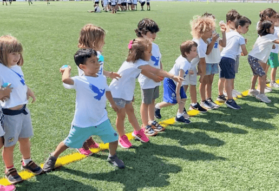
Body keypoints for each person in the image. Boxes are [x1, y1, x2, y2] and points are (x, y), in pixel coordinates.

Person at [43, 49, 125, 172]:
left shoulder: (101, 77)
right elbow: (65, 80)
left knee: (113, 139)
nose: (97, 64)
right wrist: (66, 70)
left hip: (101, 119)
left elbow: (106, 90)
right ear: (82, 66)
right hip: (83, 122)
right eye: (93, 61)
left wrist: (112, 103)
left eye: (97, 60)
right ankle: (53, 157)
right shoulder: (80, 80)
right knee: (68, 142)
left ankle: (112, 156)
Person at [110, 38, 182, 147]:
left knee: (130, 110)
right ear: (141, 53)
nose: (151, 53)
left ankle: (138, 132)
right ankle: (122, 137)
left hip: (126, 90)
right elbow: (155, 70)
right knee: (121, 115)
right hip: (117, 92)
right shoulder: (138, 63)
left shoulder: (137, 62)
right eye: (149, 51)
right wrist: (172, 76)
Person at [73, 24, 121, 155]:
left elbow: (98, 70)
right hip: (89, 91)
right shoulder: (86, 55)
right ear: (94, 40)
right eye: (102, 40)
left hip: (99, 90)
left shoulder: (95, 55)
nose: (104, 42)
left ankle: (89, 140)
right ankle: (81, 142)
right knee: (87, 117)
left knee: (95, 115)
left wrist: (109, 74)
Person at [0, 35, 42, 184]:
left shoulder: (16, 67)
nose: (17, 57)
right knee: (9, 144)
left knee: (25, 139)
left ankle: (27, 161)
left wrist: (28, 90)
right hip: (9, 114)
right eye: (13, 53)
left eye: (18, 53)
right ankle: (9, 168)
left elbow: (20, 82)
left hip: (23, 110)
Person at [248, 20, 279, 103]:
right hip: (255, 59)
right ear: (267, 30)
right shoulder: (269, 36)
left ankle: (252, 89)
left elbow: (272, 46)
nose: (273, 30)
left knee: (256, 74)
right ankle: (261, 94)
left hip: (252, 57)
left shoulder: (261, 36)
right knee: (263, 75)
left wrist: (273, 45)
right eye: (272, 28)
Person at [155, 41, 198, 123]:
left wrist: (188, 72)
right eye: (194, 50)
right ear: (186, 53)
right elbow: (179, 78)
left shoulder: (185, 60)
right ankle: (157, 106)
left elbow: (178, 70)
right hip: (171, 81)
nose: (196, 52)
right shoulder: (184, 63)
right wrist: (177, 94)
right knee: (172, 101)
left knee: (184, 98)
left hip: (176, 81)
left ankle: (179, 115)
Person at [136, 19, 166, 137]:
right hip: (147, 79)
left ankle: (151, 120)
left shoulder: (155, 46)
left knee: (152, 100)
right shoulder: (139, 47)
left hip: (156, 78)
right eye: (151, 32)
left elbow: (159, 61)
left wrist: (161, 73)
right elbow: (140, 68)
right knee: (145, 102)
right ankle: (145, 124)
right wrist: (153, 77)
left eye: (155, 32)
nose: (154, 35)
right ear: (142, 32)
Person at [218, 17, 250, 110]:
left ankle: (220, 95)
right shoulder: (240, 37)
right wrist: (243, 50)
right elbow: (245, 52)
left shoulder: (229, 33)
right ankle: (230, 100)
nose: (247, 29)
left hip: (222, 57)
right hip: (230, 60)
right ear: (239, 27)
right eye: (246, 27)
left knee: (222, 78)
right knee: (229, 80)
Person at [187, 15, 214, 113]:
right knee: (184, 88)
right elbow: (202, 61)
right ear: (202, 32)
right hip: (186, 68)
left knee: (192, 85)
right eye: (210, 30)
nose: (212, 32)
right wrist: (203, 74)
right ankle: (180, 111)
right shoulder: (200, 43)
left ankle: (194, 104)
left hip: (192, 67)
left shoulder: (201, 41)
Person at [200, 13, 226, 110]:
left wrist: (223, 33)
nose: (213, 23)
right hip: (206, 61)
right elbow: (207, 51)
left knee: (210, 81)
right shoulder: (204, 35)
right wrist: (213, 40)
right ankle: (203, 101)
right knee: (204, 81)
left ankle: (209, 99)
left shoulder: (214, 33)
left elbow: (223, 44)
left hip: (215, 60)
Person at [217, 9, 242, 101]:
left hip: (234, 55)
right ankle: (225, 92)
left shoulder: (232, 30)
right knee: (225, 77)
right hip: (228, 56)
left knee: (231, 75)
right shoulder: (228, 31)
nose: (238, 23)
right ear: (230, 22)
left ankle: (231, 89)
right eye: (236, 21)